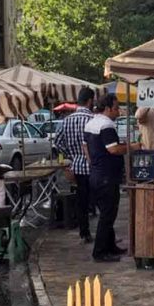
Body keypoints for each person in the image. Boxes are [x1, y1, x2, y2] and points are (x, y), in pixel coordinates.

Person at [84, 94, 141, 262]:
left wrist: (94, 164)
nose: (118, 112)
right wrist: (133, 147)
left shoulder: (91, 124)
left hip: (96, 173)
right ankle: (100, 252)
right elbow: (114, 149)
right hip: (106, 176)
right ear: (107, 108)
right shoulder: (106, 125)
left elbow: (85, 147)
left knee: (106, 213)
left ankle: (110, 246)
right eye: (116, 108)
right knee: (108, 214)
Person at [55, 87, 95, 243]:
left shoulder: (66, 121)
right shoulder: (92, 119)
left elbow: (58, 143)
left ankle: (84, 232)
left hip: (76, 166)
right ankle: (103, 234)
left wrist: (69, 157)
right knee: (100, 201)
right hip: (93, 166)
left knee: (82, 201)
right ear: (90, 101)